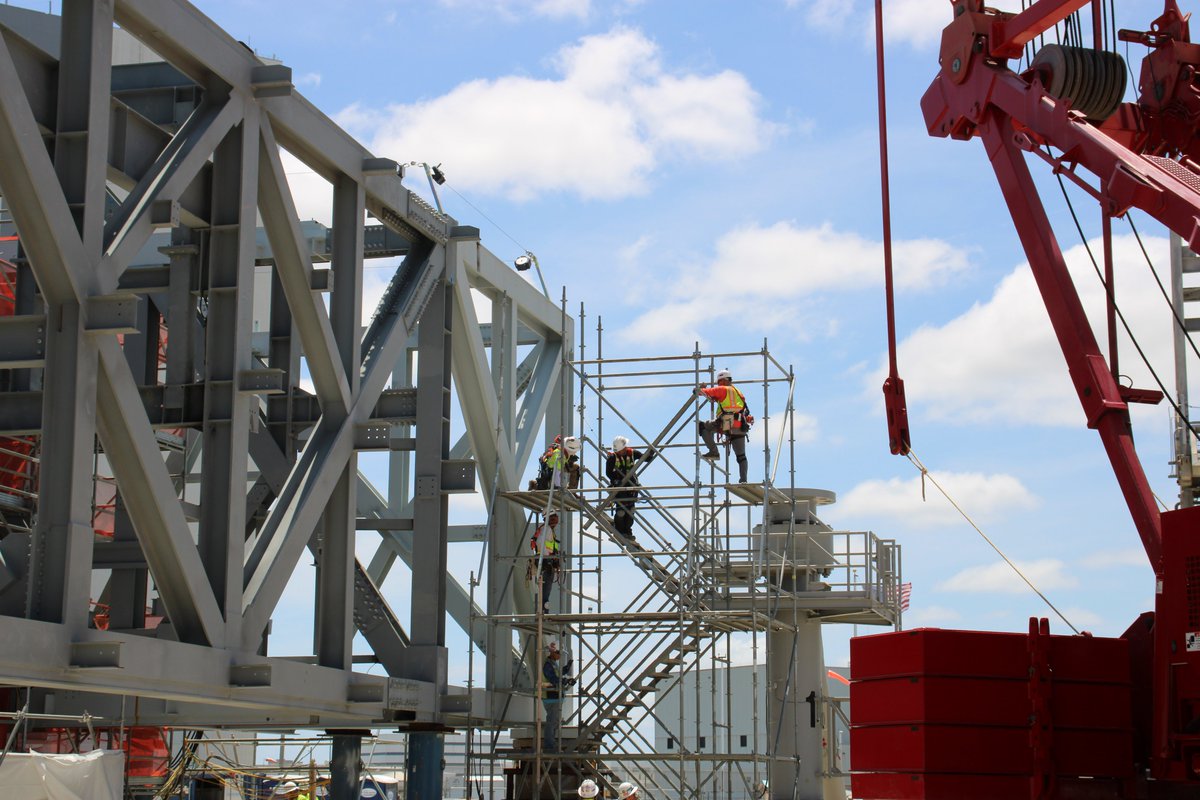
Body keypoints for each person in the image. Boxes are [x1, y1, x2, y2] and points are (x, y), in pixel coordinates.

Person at [695, 368, 751, 483]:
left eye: (719, 382)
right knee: (741, 456)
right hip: (740, 426)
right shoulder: (738, 393)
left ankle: (714, 452)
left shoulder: (723, 389)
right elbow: (744, 411)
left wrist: (700, 388)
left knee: (702, 427)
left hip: (726, 423)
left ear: (724, 380)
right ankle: (743, 480)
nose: (718, 384)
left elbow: (703, 392)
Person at [605, 435, 655, 542]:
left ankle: (628, 531)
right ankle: (619, 531)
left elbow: (646, 459)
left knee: (630, 511)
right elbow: (608, 473)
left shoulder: (632, 453)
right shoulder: (612, 457)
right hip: (619, 487)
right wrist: (615, 480)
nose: (620, 452)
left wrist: (650, 452)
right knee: (621, 511)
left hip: (631, 486)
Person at [542, 641, 574, 751]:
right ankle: (549, 745)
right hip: (550, 697)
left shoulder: (553, 664)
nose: (559, 655)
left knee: (555, 721)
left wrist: (566, 668)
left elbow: (558, 674)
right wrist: (564, 680)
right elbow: (553, 678)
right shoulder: (548, 664)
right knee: (551, 721)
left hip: (555, 697)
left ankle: (551, 743)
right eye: (558, 653)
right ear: (552, 653)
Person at [529, 512, 561, 613]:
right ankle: (543, 612)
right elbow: (541, 544)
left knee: (545, 590)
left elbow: (548, 545)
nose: (555, 521)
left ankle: (543, 611)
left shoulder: (546, 529)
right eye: (553, 519)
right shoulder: (546, 529)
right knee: (545, 590)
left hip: (546, 560)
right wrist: (549, 556)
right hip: (546, 561)